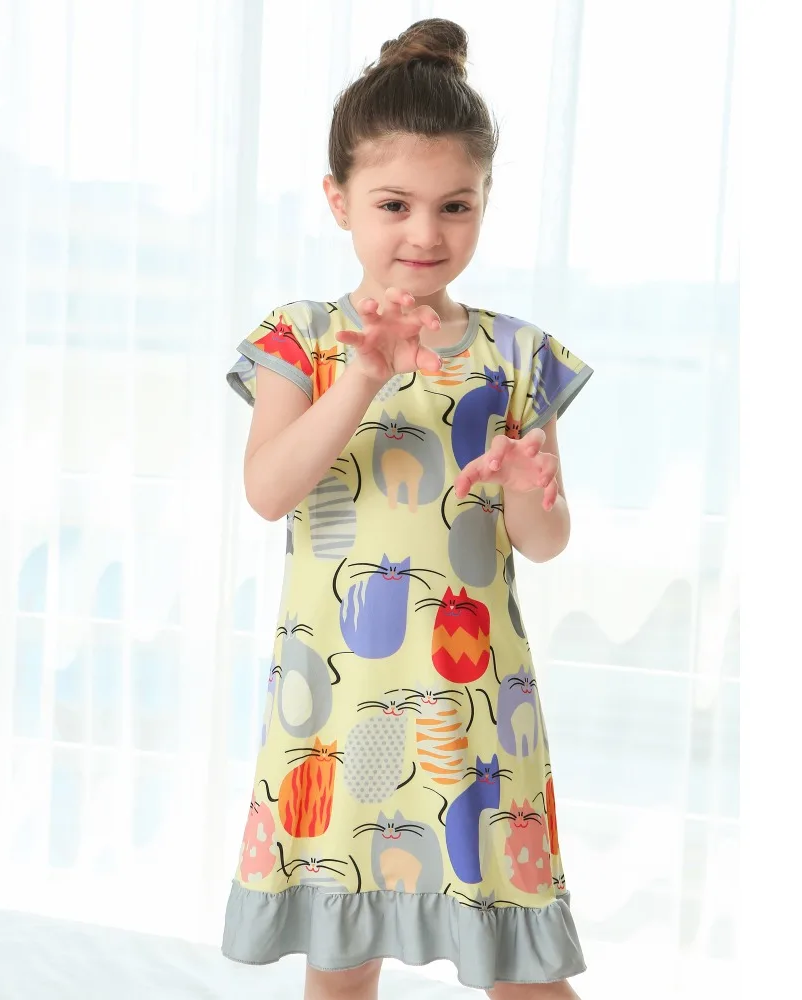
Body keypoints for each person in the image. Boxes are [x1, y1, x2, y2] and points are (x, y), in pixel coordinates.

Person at [221, 17, 592, 1000]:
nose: (426, 234)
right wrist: (363, 376)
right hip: (339, 704)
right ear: (338, 200)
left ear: (484, 202)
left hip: (475, 706)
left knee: (519, 967)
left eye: (455, 206)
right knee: (342, 962)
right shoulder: (300, 340)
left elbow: (544, 543)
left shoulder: (518, 356)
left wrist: (527, 488)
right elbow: (267, 489)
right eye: (395, 204)